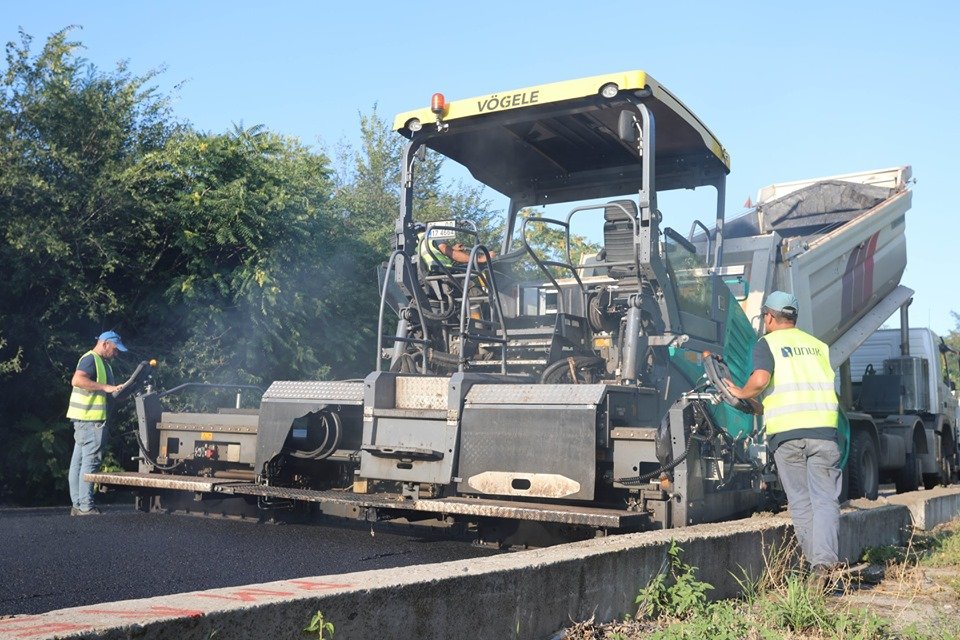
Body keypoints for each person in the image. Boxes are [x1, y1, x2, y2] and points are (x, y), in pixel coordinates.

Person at [724, 291, 842, 582]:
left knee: (801, 501)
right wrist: (757, 405)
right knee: (826, 500)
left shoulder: (768, 343)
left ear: (769, 316)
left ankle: (817, 568)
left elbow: (761, 380)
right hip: (825, 433)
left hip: (788, 437)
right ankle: (825, 563)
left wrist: (740, 392)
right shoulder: (818, 346)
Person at [66, 331, 127, 515]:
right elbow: (77, 380)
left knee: (78, 463)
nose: (116, 354)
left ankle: (77, 505)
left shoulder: (102, 362)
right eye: (115, 349)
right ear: (106, 344)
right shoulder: (91, 359)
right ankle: (86, 507)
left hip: (84, 420)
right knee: (89, 463)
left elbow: (104, 393)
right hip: (91, 421)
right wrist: (106, 387)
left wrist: (117, 392)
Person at [416, 224, 494, 272]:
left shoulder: (415, 243)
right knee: (481, 268)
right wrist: (480, 259)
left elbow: (436, 253)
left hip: (432, 275)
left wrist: (452, 249)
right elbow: (453, 254)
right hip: (446, 273)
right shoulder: (430, 237)